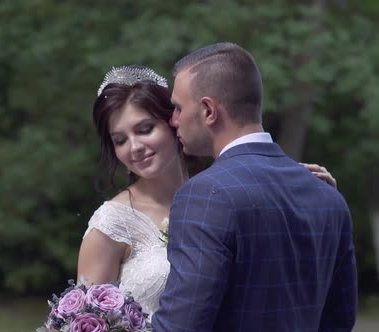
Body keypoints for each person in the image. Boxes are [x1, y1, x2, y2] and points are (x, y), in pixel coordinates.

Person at [77, 65, 339, 317]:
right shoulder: (111, 225)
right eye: (120, 140)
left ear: (173, 122)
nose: (134, 147)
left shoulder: (225, 196)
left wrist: (307, 190)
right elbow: (80, 324)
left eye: (145, 129)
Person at [152, 43, 357, 331]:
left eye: (177, 108)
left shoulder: (205, 194)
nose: (173, 121)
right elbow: (340, 322)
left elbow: (180, 327)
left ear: (209, 110)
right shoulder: (328, 197)